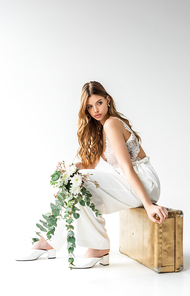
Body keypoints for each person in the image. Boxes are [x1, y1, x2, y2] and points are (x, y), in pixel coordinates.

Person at [16, 81, 168, 268]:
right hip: (128, 181)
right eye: (89, 106)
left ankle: (95, 247)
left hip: (143, 182)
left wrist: (148, 205)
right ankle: (49, 241)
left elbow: (127, 167)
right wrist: (71, 171)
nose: (95, 109)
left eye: (99, 103)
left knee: (80, 184)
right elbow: (91, 165)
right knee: (75, 184)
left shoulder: (111, 124)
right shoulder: (100, 129)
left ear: (108, 100)